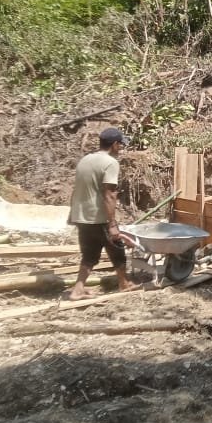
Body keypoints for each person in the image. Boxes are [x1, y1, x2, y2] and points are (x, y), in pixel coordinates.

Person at [67, 127, 140, 300]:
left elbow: (77, 189)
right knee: (117, 249)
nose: (121, 148)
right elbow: (110, 194)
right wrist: (112, 224)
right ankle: (123, 283)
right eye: (120, 144)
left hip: (81, 216)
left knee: (89, 255)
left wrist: (73, 214)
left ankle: (78, 289)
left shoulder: (85, 160)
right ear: (114, 144)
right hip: (98, 217)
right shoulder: (110, 163)